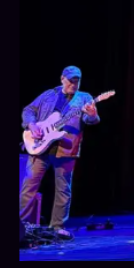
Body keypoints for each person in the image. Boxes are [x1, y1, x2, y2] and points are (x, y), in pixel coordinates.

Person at [20, 66, 100, 239]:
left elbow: (90, 120)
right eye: (71, 80)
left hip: (65, 149)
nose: (74, 84)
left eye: (77, 81)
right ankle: (21, 225)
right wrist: (32, 125)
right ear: (62, 79)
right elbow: (28, 110)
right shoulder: (49, 94)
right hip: (39, 147)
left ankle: (57, 227)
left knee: (63, 189)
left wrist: (93, 115)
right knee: (29, 186)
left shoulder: (84, 98)